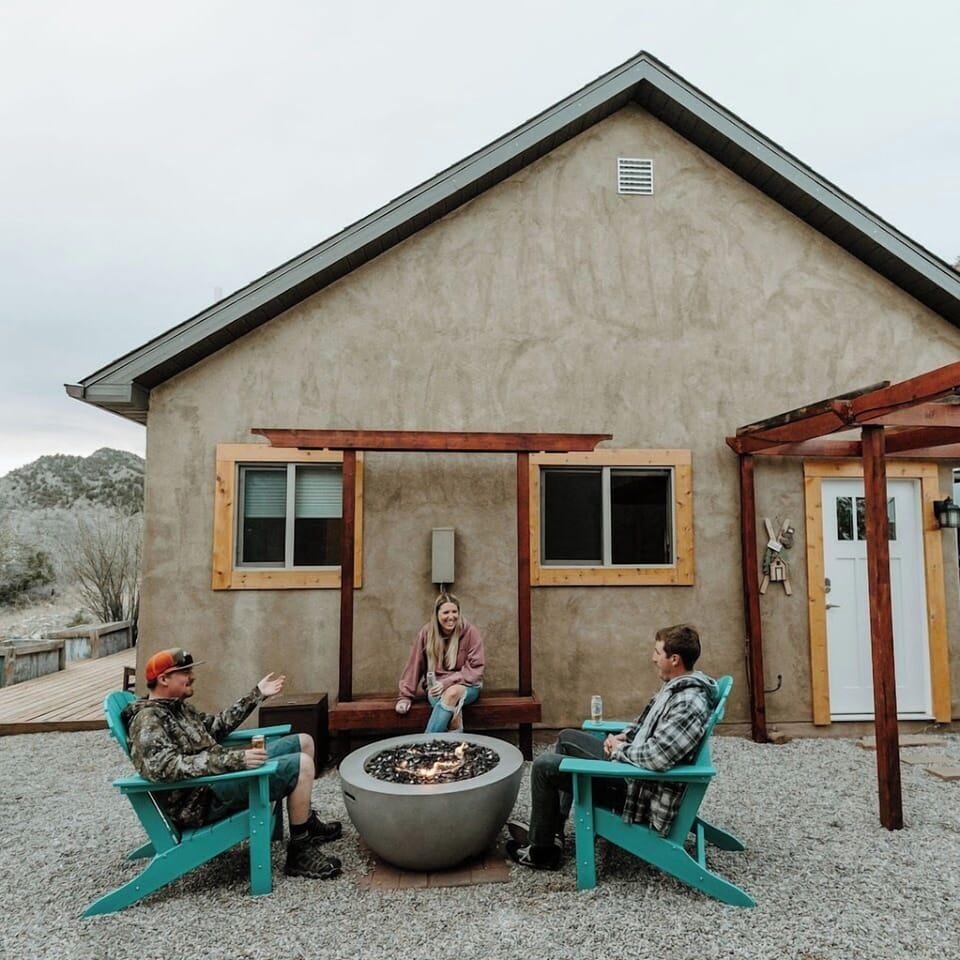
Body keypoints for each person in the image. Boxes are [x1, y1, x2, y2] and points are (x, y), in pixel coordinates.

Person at [506, 624, 717, 871]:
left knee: (544, 766)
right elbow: (647, 728)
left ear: (674, 659)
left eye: (657, 653)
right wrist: (622, 737)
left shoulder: (687, 703)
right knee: (567, 738)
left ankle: (541, 852)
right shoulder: (675, 689)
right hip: (632, 772)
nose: (653, 658)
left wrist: (619, 751)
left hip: (637, 790)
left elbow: (659, 758)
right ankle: (551, 834)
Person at [124, 647, 342, 880]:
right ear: (163, 679)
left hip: (217, 780)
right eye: (184, 671)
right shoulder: (148, 720)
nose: (192, 676)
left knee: (304, 742)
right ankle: (300, 851)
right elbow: (164, 768)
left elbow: (217, 726)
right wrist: (236, 760)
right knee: (302, 765)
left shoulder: (179, 708)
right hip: (201, 799)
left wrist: (257, 694)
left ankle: (307, 821)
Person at [394, 593, 485, 733]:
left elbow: (475, 668)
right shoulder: (427, 633)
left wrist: (447, 683)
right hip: (436, 687)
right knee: (448, 703)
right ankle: (454, 730)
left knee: (452, 693)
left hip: (467, 685)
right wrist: (405, 697)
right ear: (436, 614)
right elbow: (415, 665)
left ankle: (426, 745)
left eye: (455, 612)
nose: (451, 616)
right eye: (446, 612)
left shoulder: (470, 632)